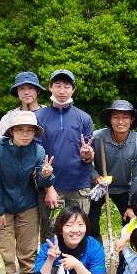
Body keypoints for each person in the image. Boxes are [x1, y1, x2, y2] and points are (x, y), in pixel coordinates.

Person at [0, 111, 54, 274]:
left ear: (35, 132)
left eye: (30, 130)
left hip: (28, 203)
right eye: (20, 130)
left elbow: (42, 183)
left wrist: (47, 176)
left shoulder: (38, 150)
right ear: (11, 131)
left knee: (28, 247)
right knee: (4, 248)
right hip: (3, 206)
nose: (25, 134)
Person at [35, 69, 95, 240]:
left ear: (73, 89)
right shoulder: (38, 117)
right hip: (53, 187)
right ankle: (51, 266)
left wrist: (87, 155)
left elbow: (90, 157)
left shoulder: (84, 118)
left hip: (79, 187)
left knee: (78, 232)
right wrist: (48, 188)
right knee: (51, 232)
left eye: (67, 86)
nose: (62, 91)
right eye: (58, 86)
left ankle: (77, 266)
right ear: (50, 87)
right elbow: (37, 157)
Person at [88, 100, 137, 240]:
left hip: (123, 188)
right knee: (89, 221)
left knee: (131, 220)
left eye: (125, 117)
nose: (120, 121)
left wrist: (131, 205)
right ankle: (96, 253)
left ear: (132, 119)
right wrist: (95, 176)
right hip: (98, 186)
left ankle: (125, 257)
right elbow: (85, 162)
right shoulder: (96, 138)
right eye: (116, 117)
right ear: (110, 119)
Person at [0, 71, 46, 138]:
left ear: (38, 91)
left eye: (30, 88)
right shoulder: (8, 118)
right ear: (17, 92)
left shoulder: (49, 115)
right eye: (21, 88)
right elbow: (3, 146)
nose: (26, 92)